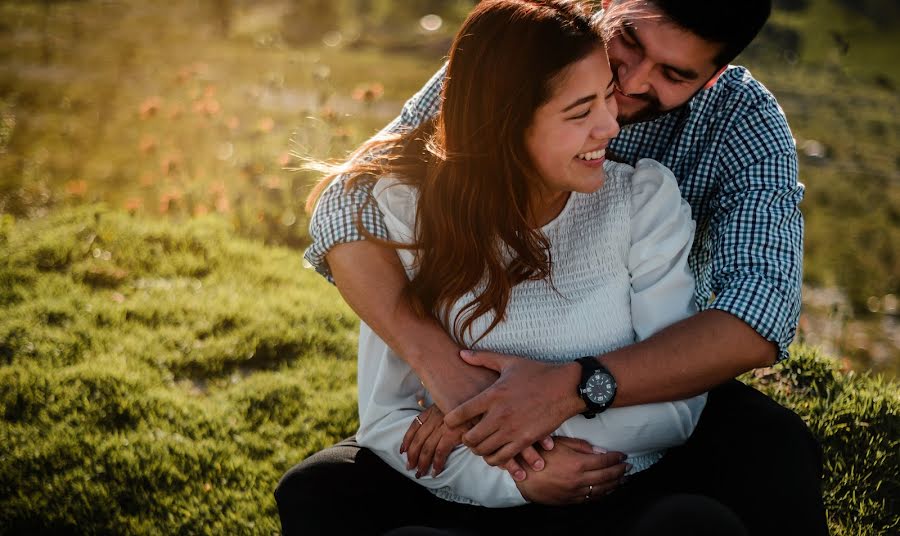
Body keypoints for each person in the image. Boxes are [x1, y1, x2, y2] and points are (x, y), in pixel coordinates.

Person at [278, 0, 828, 534]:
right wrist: (445, 371)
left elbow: (759, 314)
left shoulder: (735, 130)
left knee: (768, 447)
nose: (631, 83)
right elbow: (352, 201)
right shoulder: (533, 48)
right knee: (325, 490)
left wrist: (555, 397)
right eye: (630, 40)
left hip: (651, 369)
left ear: (712, 76)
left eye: (674, 73)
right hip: (467, 398)